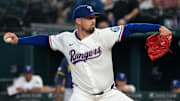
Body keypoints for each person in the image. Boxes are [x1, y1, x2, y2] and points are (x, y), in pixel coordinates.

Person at [4, 4, 172, 101]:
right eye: (89, 18)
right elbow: (44, 40)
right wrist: (19, 40)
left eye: (94, 18)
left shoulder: (104, 35)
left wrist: (157, 28)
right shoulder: (65, 39)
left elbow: (131, 28)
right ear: (78, 20)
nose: (93, 20)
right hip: (81, 95)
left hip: (108, 94)